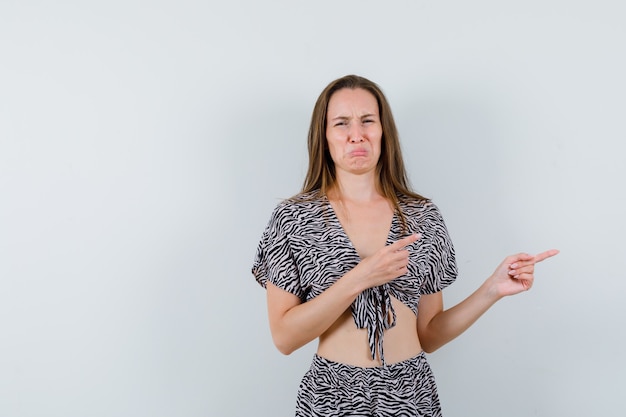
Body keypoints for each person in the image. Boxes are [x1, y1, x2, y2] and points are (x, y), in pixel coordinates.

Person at [251, 74, 558, 417]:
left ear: (384, 131)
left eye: (368, 120)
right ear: (324, 136)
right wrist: (360, 277)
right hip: (331, 394)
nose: (357, 134)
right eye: (341, 123)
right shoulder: (294, 218)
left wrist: (492, 289)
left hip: (410, 391)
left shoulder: (421, 216)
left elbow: (429, 334)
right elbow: (284, 338)